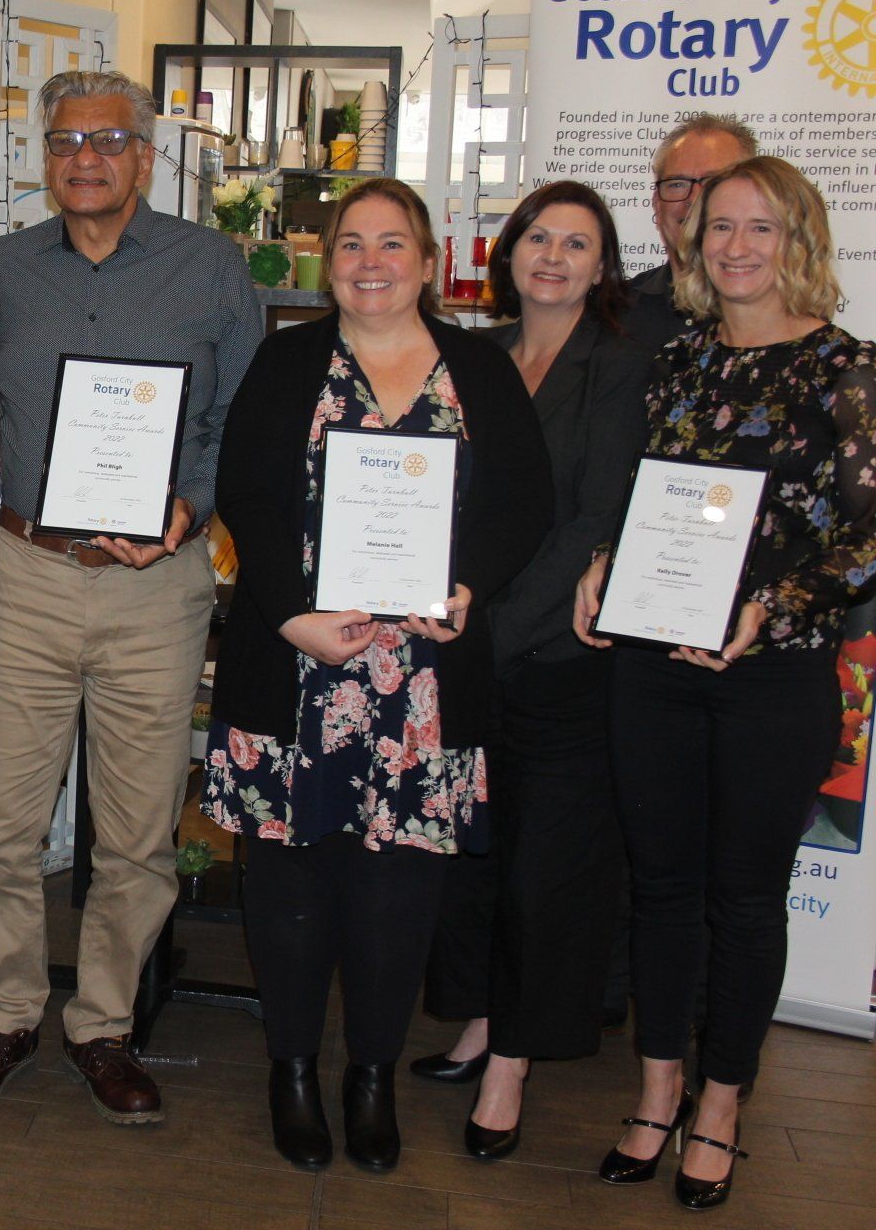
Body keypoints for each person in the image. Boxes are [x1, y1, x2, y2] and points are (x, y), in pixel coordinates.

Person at [0, 69, 262, 1128]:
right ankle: (6, 1010)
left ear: (145, 156)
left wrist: (191, 505)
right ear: (46, 155)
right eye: (66, 141)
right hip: (26, 573)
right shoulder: (6, 269)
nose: (85, 158)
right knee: (3, 822)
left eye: (108, 140)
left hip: (157, 587)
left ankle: (103, 1022)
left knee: (135, 832)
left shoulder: (212, 267)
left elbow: (245, 421)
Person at [201, 178, 551, 1172]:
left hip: (427, 684)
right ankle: (294, 1068)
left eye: (390, 243)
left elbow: (524, 500)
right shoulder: (287, 360)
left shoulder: (479, 368)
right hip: (301, 666)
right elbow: (249, 496)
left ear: (430, 260)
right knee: (291, 880)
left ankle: (371, 1075)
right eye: (349, 243)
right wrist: (292, 616)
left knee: (400, 889)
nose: (367, 262)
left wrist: (469, 584)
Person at [575, 156, 875, 1210]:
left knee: (744, 899)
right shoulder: (681, 361)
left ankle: (723, 1100)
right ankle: (657, 1089)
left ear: (800, 239)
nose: (737, 246)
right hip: (653, 665)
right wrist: (605, 567)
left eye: (760, 227)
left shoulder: (850, 370)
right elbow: (650, 496)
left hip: (774, 675)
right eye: (719, 229)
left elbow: (867, 539)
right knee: (657, 887)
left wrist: (775, 610)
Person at [403, 182, 650, 1160]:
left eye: (577, 242)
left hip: (556, 658)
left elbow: (598, 515)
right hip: (465, 640)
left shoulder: (621, 366)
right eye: (539, 237)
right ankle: (478, 1017)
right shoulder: (480, 354)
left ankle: (515, 1056)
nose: (553, 255)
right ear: (508, 252)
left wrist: (494, 626)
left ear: (603, 265)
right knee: (473, 857)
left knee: (546, 871)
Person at [624, 114, 758, 361]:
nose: (693, 199)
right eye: (676, 184)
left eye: (713, 182)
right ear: (656, 203)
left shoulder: (780, 317)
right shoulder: (615, 311)